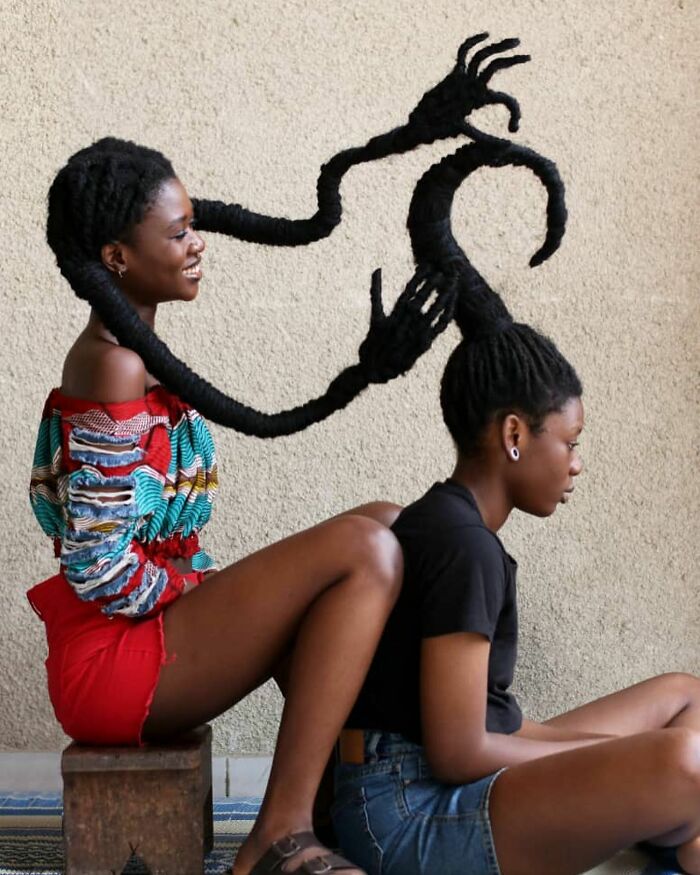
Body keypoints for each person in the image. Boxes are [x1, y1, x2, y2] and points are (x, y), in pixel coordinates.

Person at [26, 133, 457, 875]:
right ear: (117, 257)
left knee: (389, 522)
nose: (197, 245)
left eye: (194, 226)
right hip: (114, 658)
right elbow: (96, 565)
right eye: (177, 233)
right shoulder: (112, 365)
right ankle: (276, 836)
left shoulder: (135, 352)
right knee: (365, 551)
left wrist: (215, 591)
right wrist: (206, 588)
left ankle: (355, 796)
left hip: (150, 628)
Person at [329, 146, 700, 875]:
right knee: (683, 761)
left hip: (423, 784)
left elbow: (488, 725)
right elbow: (457, 751)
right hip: (407, 815)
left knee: (683, 697)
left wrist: (616, 756)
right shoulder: (463, 545)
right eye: (571, 441)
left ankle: (671, 821)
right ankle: (676, 823)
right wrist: (632, 758)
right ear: (514, 435)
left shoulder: (451, 522)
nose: (576, 463)